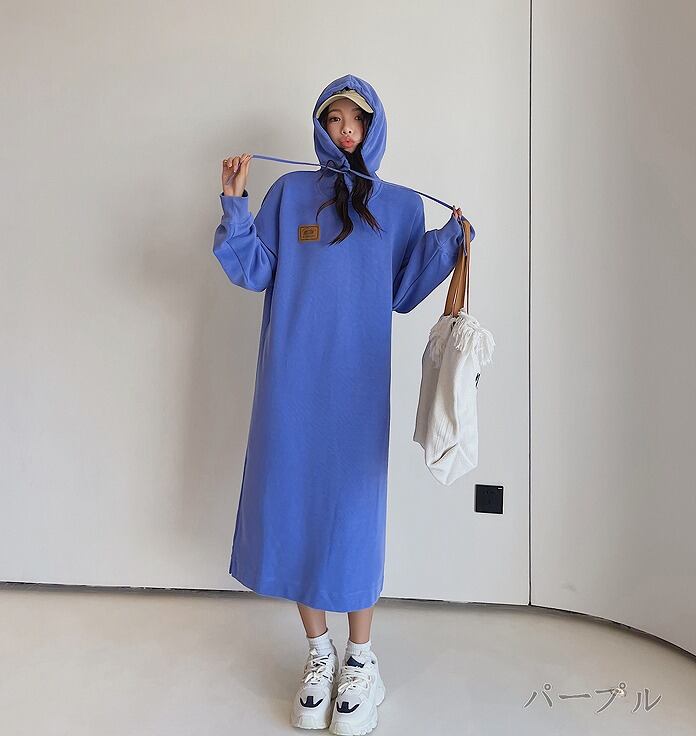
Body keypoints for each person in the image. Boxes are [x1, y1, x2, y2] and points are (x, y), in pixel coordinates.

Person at [213, 74, 474, 734]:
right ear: (321, 127)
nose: (345, 129)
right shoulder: (289, 193)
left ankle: (361, 658)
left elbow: (404, 291)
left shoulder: (400, 206)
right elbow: (253, 269)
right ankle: (319, 653)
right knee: (297, 510)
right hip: (291, 385)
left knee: (353, 518)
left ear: (373, 127)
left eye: (357, 118)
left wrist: (450, 239)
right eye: (334, 118)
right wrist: (236, 204)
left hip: (357, 388)